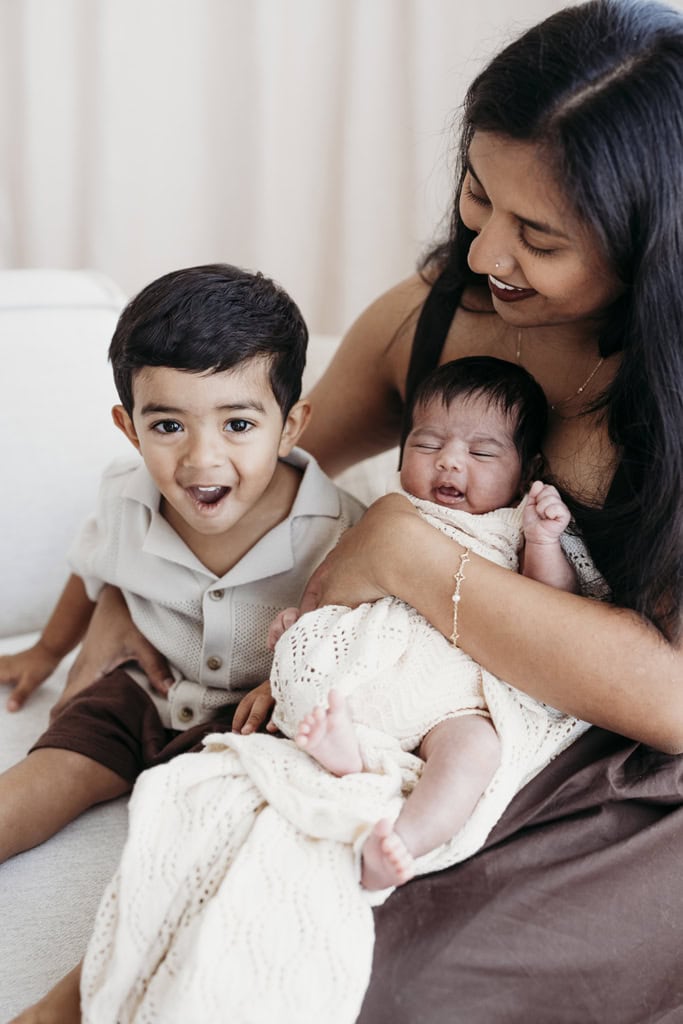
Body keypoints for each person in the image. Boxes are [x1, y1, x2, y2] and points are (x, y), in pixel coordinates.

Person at [11, 0, 683, 1020]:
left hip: (624, 763)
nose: (486, 251)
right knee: (226, 855)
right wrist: (131, 593)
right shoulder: (437, 315)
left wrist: (407, 550)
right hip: (409, 695)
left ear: (647, 239)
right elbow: (240, 482)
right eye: (475, 194)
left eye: (537, 235)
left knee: (379, 965)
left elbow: (671, 698)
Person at [0, 262, 364, 864]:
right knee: (52, 770)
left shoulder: (342, 531)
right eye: (168, 425)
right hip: (143, 692)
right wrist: (46, 651)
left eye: (238, 424)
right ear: (129, 428)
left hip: (252, 723)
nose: (202, 459)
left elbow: (357, 641)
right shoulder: (125, 498)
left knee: (216, 835)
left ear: (288, 427)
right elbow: (93, 571)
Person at [268, 355, 585, 891]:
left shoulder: (516, 525)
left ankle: (402, 840)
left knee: (476, 750)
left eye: (481, 451)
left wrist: (543, 541)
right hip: (378, 663)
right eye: (427, 445)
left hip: (456, 699)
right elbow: (335, 583)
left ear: (528, 470)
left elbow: (553, 613)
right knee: (314, 670)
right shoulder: (390, 513)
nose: (450, 464)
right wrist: (304, 627)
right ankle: (348, 752)